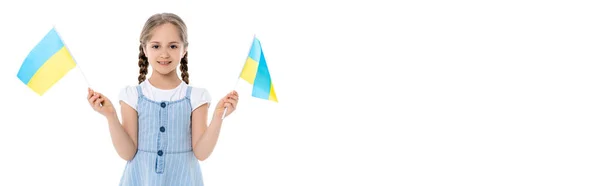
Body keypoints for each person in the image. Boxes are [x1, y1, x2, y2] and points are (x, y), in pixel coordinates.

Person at [87, 12, 239, 186]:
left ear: (184, 49)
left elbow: (201, 153)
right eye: (156, 46)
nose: (164, 54)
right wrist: (111, 116)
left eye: (173, 46)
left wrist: (218, 117)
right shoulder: (132, 96)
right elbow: (128, 153)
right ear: (144, 49)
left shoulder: (197, 97)